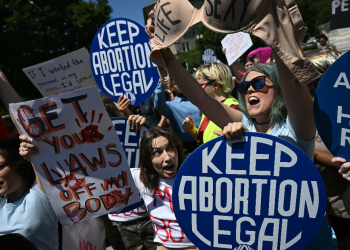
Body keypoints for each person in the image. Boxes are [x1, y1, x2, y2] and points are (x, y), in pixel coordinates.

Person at [145, 17, 332, 249]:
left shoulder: (296, 126)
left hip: (305, 241)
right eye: (244, 87)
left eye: (260, 84)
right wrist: (167, 55)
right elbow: (201, 98)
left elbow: (293, 84)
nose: (250, 89)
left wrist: (277, 33)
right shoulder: (245, 124)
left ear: (278, 91)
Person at [131, 126, 196, 250]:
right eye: (157, 152)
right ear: (148, 159)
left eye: (170, 148)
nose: (167, 158)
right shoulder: (141, 179)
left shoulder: (197, 177)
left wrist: (238, 131)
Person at [1, 137, 59, 250]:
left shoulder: (39, 194)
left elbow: (30, 136)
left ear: (18, 163)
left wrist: (31, 150)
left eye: (0, 167)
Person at [182, 62, 239, 145]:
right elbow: (203, 141)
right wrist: (192, 130)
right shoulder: (208, 108)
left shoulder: (233, 107)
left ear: (215, 85)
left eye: (200, 85)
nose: (197, 89)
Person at [154, 79, 201, 156]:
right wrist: (161, 85)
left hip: (205, 142)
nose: (180, 85)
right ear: (171, 88)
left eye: (182, 83)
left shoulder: (198, 100)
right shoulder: (170, 106)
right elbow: (158, 104)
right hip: (187, 148)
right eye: (176, 84)